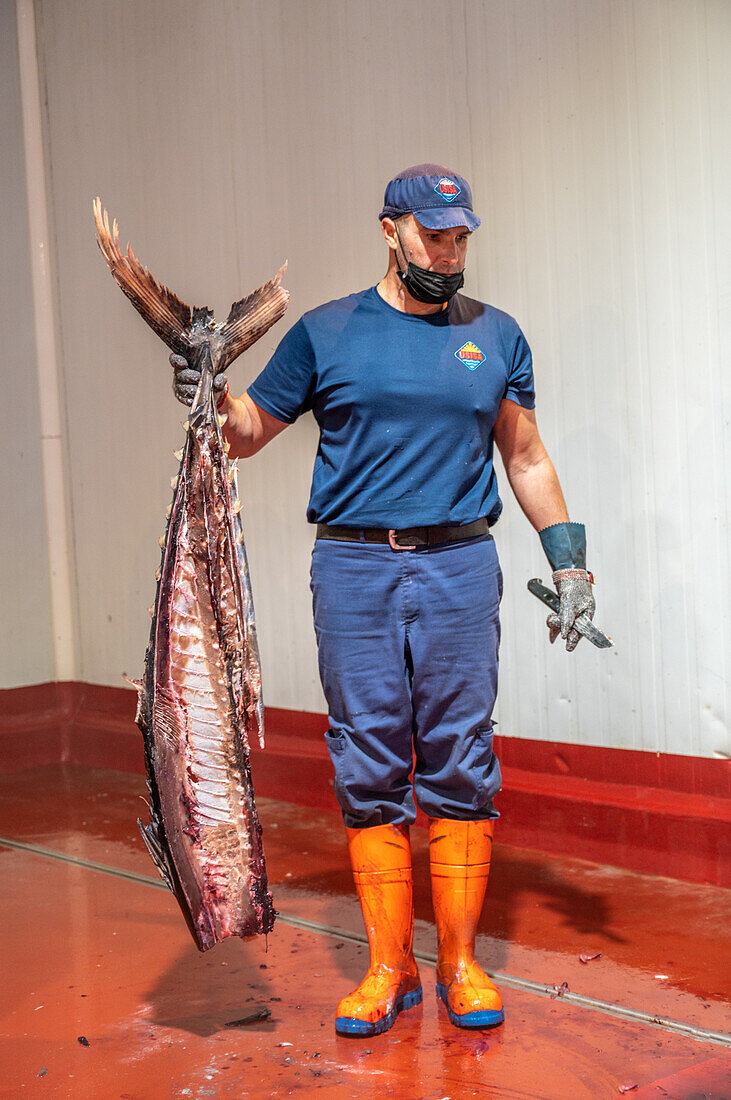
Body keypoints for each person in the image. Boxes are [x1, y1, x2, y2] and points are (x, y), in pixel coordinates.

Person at [171, 164, 598, 1037]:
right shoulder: (327, 333)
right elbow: (249, 432)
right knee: (367, 759)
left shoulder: (496, 335)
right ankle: (388, 965)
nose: (449, 251)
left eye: (460, 236)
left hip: (458, 566)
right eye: (433, 235)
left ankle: (462, 962)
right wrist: (211, 402)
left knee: (459, 753)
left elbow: (523, 457)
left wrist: (571, 567)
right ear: (389, 231)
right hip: (356, 569)